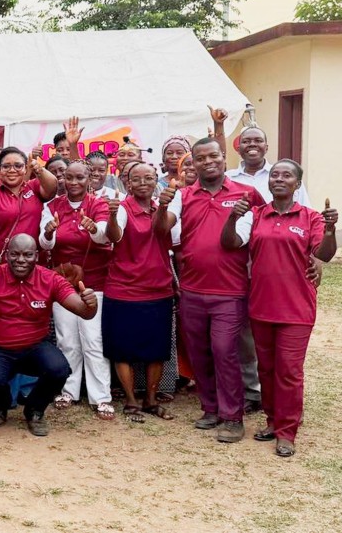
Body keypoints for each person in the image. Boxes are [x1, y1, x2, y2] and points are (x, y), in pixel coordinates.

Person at [221, 161, 337, 457]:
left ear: (297, 184)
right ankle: (273, 421)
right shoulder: (257, 214)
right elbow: (231, 242)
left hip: (296, 308)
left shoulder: (310, 217)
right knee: (267, 369)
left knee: (289, 371)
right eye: (275, 175)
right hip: (261, 305)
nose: (279, 179)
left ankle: (287, 432)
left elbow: (323, 255)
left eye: (287, 175)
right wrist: (233, 218)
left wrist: (330, 231)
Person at [158, 138, 266, 443]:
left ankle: (233, 417)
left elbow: (268, 227)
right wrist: (163, 205)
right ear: (193, 162)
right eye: (201, 158)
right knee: (200, 352)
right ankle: (210, 408)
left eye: (213, 156)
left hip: (230, 291)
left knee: (224, 351)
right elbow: (163, 227)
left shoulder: (245, 193)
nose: (208, 162)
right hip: (192, 289)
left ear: (223, 157)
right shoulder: (183, 195)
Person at [0, 234, 97, 435]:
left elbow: (84, 312)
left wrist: (90, 305)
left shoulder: (51, 279)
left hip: (35, 346)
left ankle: (34, 410)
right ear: (7, 255)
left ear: (36, 256)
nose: (21, 260)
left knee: (59, 370)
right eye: (15, 254)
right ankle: (0, 405)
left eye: (27, 255)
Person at [39, 160, 119, 419]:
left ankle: (101, 397)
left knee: (93, 340)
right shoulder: (52, 206)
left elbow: (105, 236)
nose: (73, 183)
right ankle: (68, 391)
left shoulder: (99, 204)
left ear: (89, 178)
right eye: (69, 177)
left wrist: (94, 228)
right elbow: (45, 244)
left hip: (95, 281)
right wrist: (48, 232)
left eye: (79, 178)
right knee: (67, 340)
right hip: (62, 282)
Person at [102, 162, 176, 422]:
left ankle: (151, 400)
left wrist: (163, 206)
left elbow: (163, 230)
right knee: (122, 349)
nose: (143, 183)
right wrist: (112, 216)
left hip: (158, 289)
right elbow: (115, 236)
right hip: (123, 290)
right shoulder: (122, 208)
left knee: (157, 349)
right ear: (128, 183)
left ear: (157, 180)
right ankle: (131, 401)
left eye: (149, 178)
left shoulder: (164, 207)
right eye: (136, 179)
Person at [0, 147, 58, 259]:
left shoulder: (34, 187)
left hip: (32, 263)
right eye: (6, 166)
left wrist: (39, 170)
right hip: (0, 264)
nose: (12, 170)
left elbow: (52, 187)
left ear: (26, 168)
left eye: (18, 166)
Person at [226, 127, 311, 207]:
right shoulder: (227, 179)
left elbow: (305, 210)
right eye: (246, 141)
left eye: (258, 140)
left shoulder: (287, 177)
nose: (252, 144)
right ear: (238, 149)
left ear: (266, 148)